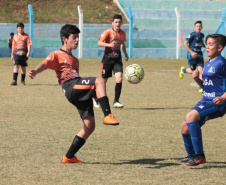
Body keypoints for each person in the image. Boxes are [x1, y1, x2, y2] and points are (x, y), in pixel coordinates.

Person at [29, 24, 119, 164]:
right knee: (100, 81)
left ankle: (69, 157)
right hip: (70, 86)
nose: (77, 40)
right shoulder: (57, 54)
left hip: (77, 90)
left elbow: (81, 82)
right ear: (65, 39)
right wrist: (35, 71)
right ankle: (107, 115)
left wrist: (83, 102)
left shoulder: (75, 60)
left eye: (78, 37)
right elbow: (44, 64)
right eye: (74, 37)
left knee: (90, 126)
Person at [177, 34, 226, 166]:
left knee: (191, 116)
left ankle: (200, 156)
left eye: (211, 44)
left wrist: (223, 98)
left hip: (218, 102)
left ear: (220, 47)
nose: (207, 47)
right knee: (185, 126)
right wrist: (197, 80)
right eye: (207, 44)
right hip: (205, 99)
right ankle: (191, 155)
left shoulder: (222, 63)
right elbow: (207, 86)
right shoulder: (208, 63)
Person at [93, 14, 129, 109]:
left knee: (119, 78)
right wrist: (109, 45)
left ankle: (116, 101)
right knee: (103, 82)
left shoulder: (122, 34)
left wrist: (125, 53)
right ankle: (96, 98)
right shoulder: (108, 32)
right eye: (116, 22)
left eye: (119, 22)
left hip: (117, 59)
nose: (118, 24)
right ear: (112, 23)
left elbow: (122, 44)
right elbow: (99, 43)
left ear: (121, 23)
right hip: (108, 60)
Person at [179, 21, 205, 93]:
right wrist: (191, 52)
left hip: (199, 55)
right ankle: (183, 70)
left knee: (201, 71)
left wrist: (205, 46)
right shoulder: (192, 35)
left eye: (200, 26)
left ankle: (201, 87)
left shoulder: (202, 35)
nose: (198, 27)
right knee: (194, 72)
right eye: (197, 26)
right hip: (192, 56)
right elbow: (185, 43)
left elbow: (201, 42)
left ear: (202, 27)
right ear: (194, 27)